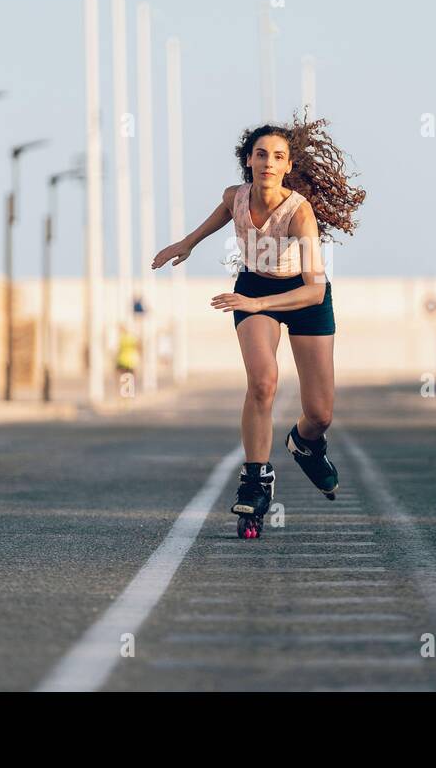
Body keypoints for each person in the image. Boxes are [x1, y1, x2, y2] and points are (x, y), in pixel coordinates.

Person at [151, 116, 365, 535]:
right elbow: (221, 214)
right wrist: (186, 243)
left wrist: (257, 302)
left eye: (279, 157)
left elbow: (313, 292)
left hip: (302, 299)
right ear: (248, 159)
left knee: (320, 412)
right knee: (263, 381)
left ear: (288, 166)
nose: (269, 162)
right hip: (253, 290)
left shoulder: (299, 213)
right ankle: (255, 480)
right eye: (261, 154)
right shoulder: (236, 196)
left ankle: (305, 443)